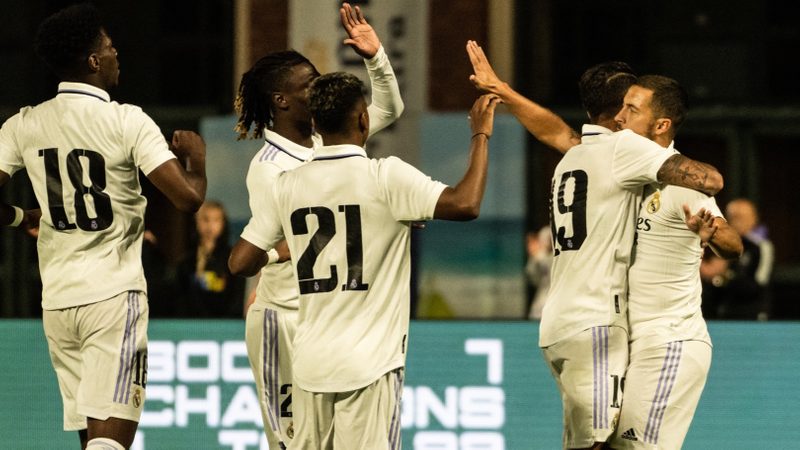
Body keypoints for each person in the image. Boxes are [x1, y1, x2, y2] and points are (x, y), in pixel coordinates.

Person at [466, 41, 724, 450]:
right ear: (621, 111)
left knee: (588, 442)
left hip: (557, 321)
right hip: (597, 322)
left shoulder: (576, 154)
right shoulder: (625, 149)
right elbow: (711, 180)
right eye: (632, 105)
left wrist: (504, 91)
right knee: (597, 445)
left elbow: (553, 130)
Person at [240, 71, 497, 449]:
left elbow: (240, 262)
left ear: (314, 124)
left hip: (309, 363)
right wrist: (480, 135)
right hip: (369, 365)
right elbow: (466, 203)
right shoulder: (385, 177)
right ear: (364, 120)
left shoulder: (288, 183)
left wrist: (277, 252)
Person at [0, 4, 207, 449]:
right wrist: (197, 160)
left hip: (58, 302)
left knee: (93, 441)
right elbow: (188, 199)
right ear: (93, 61)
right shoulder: (126, 120)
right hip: (113, 296)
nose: (117, 55)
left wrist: (19, 217)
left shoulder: (24, 123)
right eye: (110, 48)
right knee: (110, 443)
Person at [227, 3, 404, 448]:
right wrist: (277, 254)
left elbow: (389, 107)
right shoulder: (269, 168)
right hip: (284, 319)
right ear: (281, 100)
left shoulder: (329, 139)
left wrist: (375, 57)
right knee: (291, 443)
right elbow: (275, 245)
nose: (320, 86)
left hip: (322, 324)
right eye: (309, 83)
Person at [608, 74, 743, 449]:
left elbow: (733, 245)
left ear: (661, 125)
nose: (619, 116)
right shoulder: (624, 175)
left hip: (669, 341)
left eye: (632, 109)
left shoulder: (680, 184)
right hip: (631, 345)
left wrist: (710, 233)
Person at [701, 198, 774, 320]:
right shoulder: (722, 245)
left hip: (753, 314)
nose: (736, 222)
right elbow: (713, 279)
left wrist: (725, 275)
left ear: (754, 218)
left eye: (741, 217)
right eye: (732, 217)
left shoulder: (761, 247)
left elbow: (758, 284)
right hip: (724, 313)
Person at [178, 200, 244, 318]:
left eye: (216, 220)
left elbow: (237, 297)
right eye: (205, 219)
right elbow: (182, 299)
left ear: (223, 223)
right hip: (192, 323)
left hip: (226, 323)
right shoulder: (186, 261)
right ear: (197, 222)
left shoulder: (233, 258)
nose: (210, 226)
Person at [525, 226, 553, 320]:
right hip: (541, 300)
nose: (548, 242)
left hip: (557, 300)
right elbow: (533, 278)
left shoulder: (557, 257)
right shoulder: (539, 256)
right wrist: (533, 258)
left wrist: (538, 256)